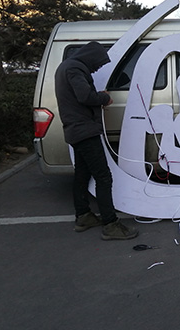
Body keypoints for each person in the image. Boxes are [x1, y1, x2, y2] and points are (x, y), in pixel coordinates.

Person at [54, 41, 138, 240]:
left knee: (82, 174)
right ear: (91, 57)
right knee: (103, 176)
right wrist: (103, 98)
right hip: (85, 131)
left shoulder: (67, 67)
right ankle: (110, 224)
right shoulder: (75, 68)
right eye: (98, 64)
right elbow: (84, 96)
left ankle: (83, 216)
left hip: (76, 131)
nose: (97, 69)